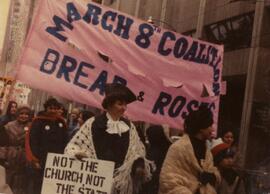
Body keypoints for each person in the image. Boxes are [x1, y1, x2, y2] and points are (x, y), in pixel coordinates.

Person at [65, 83, 154, 194]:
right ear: (109, 104)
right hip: (95, 182)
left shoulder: (129, 126)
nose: (124, 108)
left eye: (125, 105)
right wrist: (78, 153)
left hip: (119, 185)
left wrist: (138, 165)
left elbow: (137, 151)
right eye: (120, 104)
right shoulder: (93, 123)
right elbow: (74, 146)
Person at [159, 106, 220, 194]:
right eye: (210, 126)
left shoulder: (207, 151)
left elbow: (212, 171)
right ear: (201, 128)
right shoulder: (178, 148)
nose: (212, 129)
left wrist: (213, 176)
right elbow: (167, 180)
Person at [29, 97, 68, 194]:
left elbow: (65, 141)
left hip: (56, 161)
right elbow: (33, 141)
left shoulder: (61, 122)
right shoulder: (38, 121)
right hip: (41, 159)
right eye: (50, 108)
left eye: (55, 108)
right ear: (46, 109)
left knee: (52, 185)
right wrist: (35, 160)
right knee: (39, 184)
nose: (53, 110)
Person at [0, 105, 32, 194]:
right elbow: (3, 143)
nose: (24, 116)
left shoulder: (32, 126)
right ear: (17, 114)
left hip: (24, 157)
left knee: (21, 182)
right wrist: (3, 158)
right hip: (10, 156)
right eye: (21, 113)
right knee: (8, 179)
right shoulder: (9, 126)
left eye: (26, 114)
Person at [143, 125, 172, 194]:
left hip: (154, 184)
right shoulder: (168, 147)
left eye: (148, 136)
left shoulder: (154, 151)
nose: (147, 138)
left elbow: (150, 168)